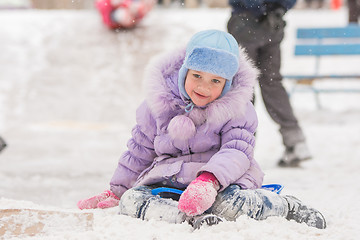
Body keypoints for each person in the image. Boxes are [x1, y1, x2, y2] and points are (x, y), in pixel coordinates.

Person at [77, 30, 326, 229]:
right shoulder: (157, 105)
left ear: (227, 85)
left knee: (228, 206)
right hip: (170, 180)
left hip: (224, 183)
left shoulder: (237, 110)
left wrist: (209, 181)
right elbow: (139, 149)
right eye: (197, 76)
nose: (204, 87)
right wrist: (118, 191)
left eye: (215, 81)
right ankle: (186, 219)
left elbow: (237, 151)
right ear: (184, 72)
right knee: (133, 200)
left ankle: (283, 206)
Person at [227, 0, 312, 167]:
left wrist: (259, 7)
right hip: (271, 24)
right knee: (272, 83)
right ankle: (295, 141)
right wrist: (278, 8)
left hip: (246, 23)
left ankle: (242, 146)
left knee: (244, 85)